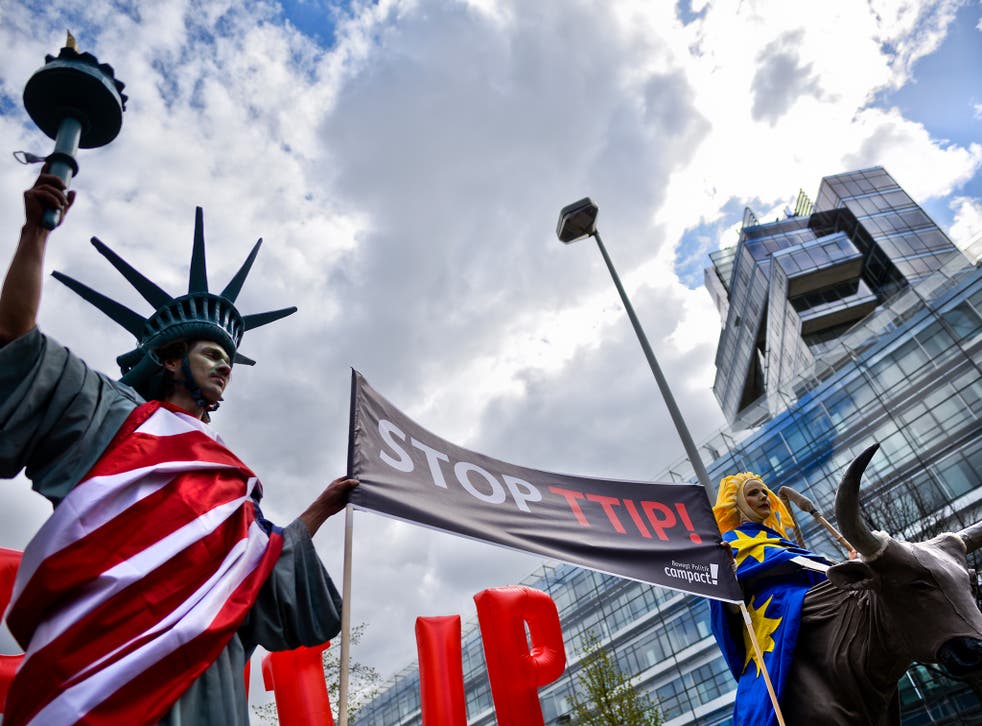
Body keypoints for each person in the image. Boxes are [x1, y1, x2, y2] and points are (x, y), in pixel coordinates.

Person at [0, 172, 358, 725]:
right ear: (169, 359)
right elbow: (17, 340)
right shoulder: (110, 414)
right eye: (212, 353)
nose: (224, 366)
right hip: (106, 653)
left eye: (229, 361)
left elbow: (261, 567)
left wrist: (324, 506)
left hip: (207, 664)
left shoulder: (230, 479)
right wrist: (35, 233)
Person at [709, 471, 832, 726]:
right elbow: (728, 607)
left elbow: (817, 574)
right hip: (771, 621)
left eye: (765, 492)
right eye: (753, 493)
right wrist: (728, 573)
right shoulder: (728, 545)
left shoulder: (778, 541)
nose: (763, 496)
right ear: (737, 504)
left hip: (806, 600)